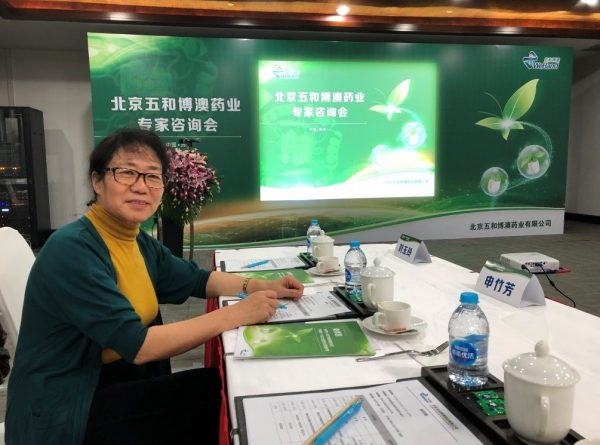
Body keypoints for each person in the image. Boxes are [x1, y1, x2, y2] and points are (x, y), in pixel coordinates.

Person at [5, 128, 304, 445]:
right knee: (219, 399)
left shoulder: (133, 238)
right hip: (69, 408)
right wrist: (237, 314)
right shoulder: (74, 250)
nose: (141, 186)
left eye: (152, 176)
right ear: (97, 181)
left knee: (222, 386)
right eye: (126, 173)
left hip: (115, 378)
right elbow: (139, 345)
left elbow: (196, 279)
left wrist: (258, 285)